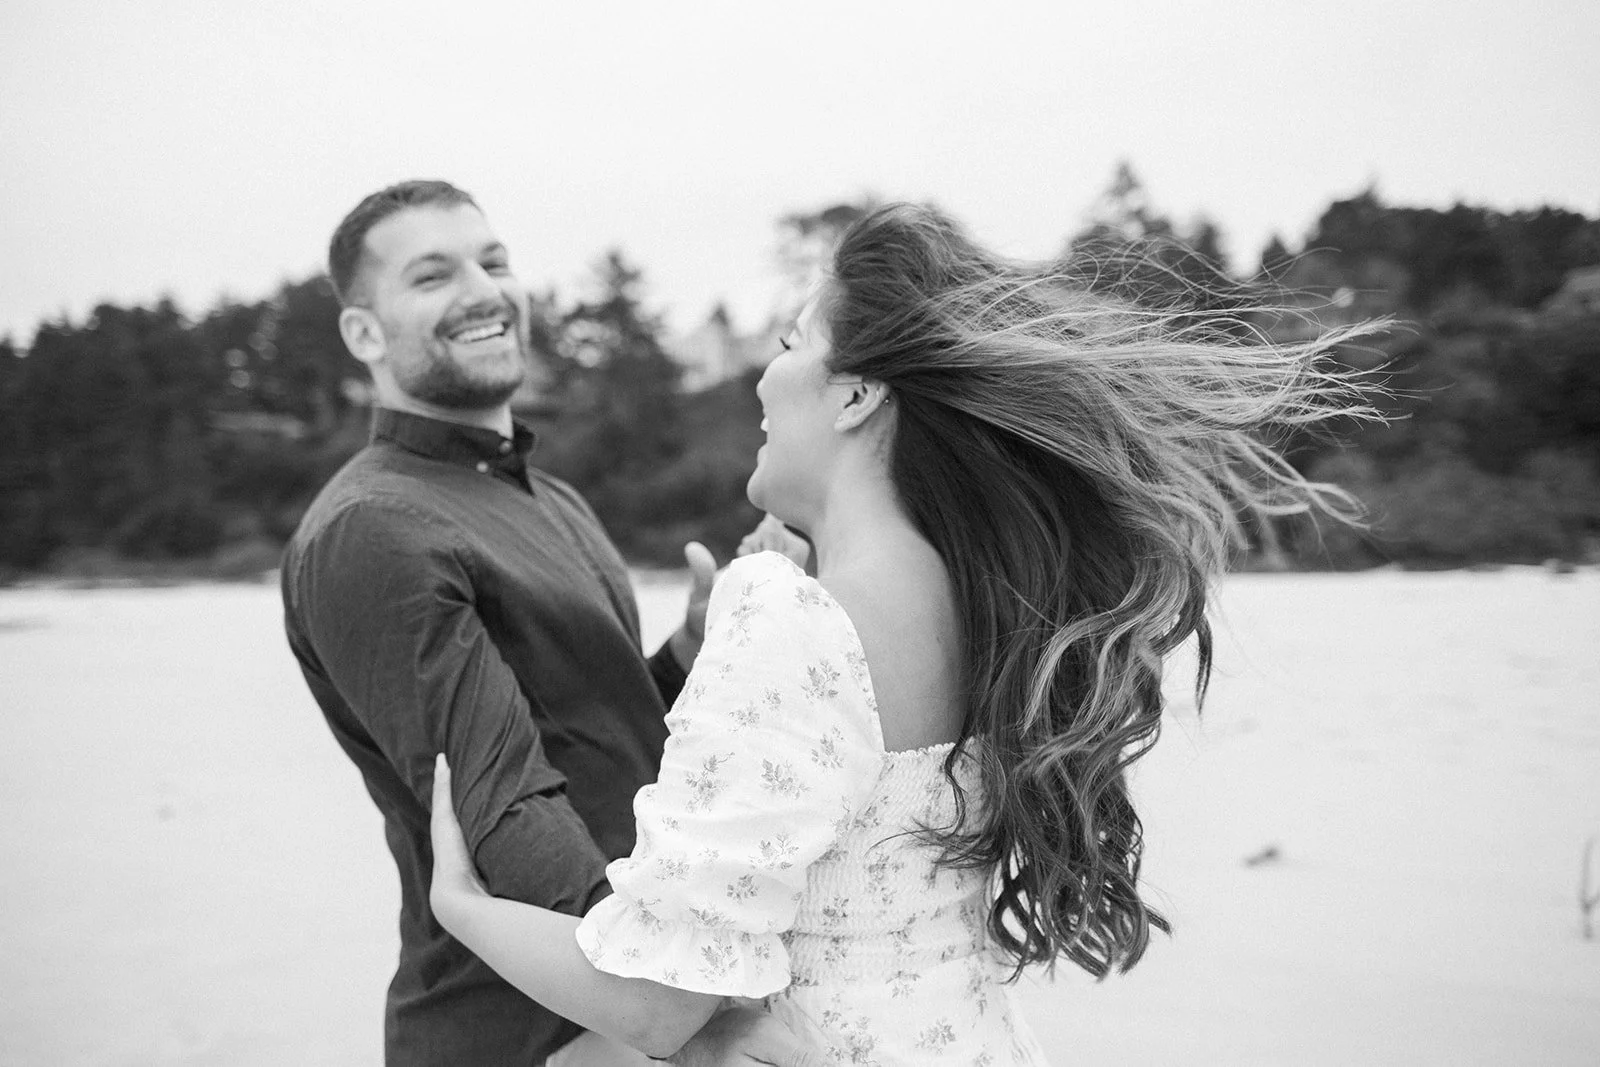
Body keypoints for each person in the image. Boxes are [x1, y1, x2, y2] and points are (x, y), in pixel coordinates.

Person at [425, 202, 1382, 1063]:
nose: (763, 380)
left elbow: (659, 1000)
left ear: (854, 395)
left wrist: (462, 909)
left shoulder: (790, 617)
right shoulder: (991, 601)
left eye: (791, 343)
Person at [281, 180, 815, 1067]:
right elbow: (502, 801)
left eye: (494, 261)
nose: (485, 290)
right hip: (529, 1030)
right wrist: (667, 1012)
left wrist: (689, 654)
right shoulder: (373, 527)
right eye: (433, 275)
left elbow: (583, 733)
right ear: (364, 333)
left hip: (624, 1005)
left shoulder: (548, 494)